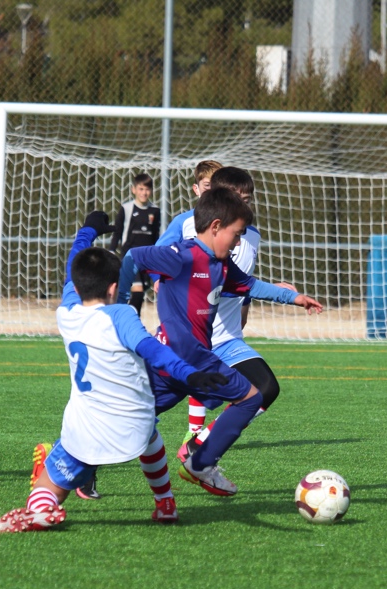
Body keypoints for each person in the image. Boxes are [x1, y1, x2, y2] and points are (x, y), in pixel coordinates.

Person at [0, 212, 228, 532]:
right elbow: (153, 350)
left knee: (49, 486)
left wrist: (87, 231)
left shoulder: (66, 312)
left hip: (86, 434)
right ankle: (165, 502)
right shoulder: (120, 314)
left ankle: (40, 507)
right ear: (114, 287)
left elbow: (73, 266)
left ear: (76, 286)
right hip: (135, 428)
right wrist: (190, 375)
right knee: (151, 434)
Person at [127, 187, 322, 496]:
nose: (239, 241)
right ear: (216, 226)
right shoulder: (182, 256)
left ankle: (65, 458)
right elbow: (133, 256)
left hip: (173, 363)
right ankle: (201, 463)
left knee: (131, 418)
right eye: (237, 234)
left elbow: (249, 285)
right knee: (251, 397)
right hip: (188, 358)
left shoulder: (221, 265)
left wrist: (293, 297)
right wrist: (122, 303)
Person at [75, 159, 223, 501]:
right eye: (209, 187)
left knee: (241, 391)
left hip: (212, 329)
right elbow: (151, 254)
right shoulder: (185, 223)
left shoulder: (236, 229)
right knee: (249, 390)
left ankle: (194, 443)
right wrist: (157, 281)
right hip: (180, 332)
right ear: (197, 189)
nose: (215, 193)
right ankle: (194, 453)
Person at [156, 167, 292, 463]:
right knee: (140, 413)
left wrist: (251, 303)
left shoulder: (251, 235)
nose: (246, 204)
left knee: (267, 388)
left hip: (228, 339)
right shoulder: (187, 224)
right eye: (239, 198)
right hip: (189, 338)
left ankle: (200, 444)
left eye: (249, 199)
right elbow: (159, 261)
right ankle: (75, 463)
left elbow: (242, 281)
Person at [109, 172, 161, 316]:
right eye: (141, 189)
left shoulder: (155, 211)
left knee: (139, 294)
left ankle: (131, 321)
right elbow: (118, 232)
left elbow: (155, 235)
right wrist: (112, 251)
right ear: (134, 189)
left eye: (147, 189)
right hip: (130, 256)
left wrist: (157, 254)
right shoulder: (126, 208)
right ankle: (127, 322)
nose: (144, 192)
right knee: (134, 291)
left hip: (147, 257)